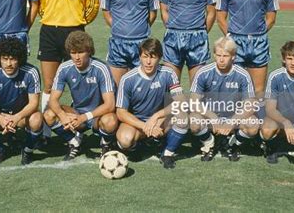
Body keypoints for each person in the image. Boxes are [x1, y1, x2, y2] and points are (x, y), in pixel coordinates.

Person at [36, 0, 99, 115]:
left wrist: (79, 22)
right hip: (49, 32)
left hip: (75, 33)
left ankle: (77, 125)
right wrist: (52, 17)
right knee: (49, 84)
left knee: (77, 84)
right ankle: (45, 130)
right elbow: (42, 5)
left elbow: (93, 5)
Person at [216, 0, 278, 111]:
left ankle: (254, 128)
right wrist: (231, 36)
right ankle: (232, 127)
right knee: (234, 86)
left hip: (258, 43)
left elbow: (271, 18)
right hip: (235, 42)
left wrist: (257, 33)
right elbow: (220, 17)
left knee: (258, 89)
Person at [43, 31, 117, 160]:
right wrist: (63, 116)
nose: (77, 57)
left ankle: (105, 144)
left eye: (80, 52)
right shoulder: (64, 68)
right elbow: (53, 100)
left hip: (97, 116)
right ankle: (74, 142)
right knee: (49, 115)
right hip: (76, 113)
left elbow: (110, 104)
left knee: (110, 121)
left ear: (89, 51)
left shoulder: (101, 68)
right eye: (73, 52)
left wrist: (84, 117)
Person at [116, 38, 187, 169]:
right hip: (137, 122)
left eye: (153, 57)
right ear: (139, 57)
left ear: (159, 58)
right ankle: (139, 146)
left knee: (183, 117)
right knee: (125, 139)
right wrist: (145, 126)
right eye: (145, 57)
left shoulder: (168, 73)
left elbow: (181, 102)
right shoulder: (128, 79)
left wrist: (156, 117)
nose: (148, 62)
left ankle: (167, 153)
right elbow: (120, 112)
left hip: (161, 120)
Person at [189, 36, 259, 162]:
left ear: (233, 57)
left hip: (233, 117)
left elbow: (251, 105)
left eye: (225, 56)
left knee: (253, 125)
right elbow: (194, 102)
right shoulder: (203, 72)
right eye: (218, 55)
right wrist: (213, 117)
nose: (221, 60)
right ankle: (209, 142)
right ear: (214, 55)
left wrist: (232, 121)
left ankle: (233, 144)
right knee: (193, 121)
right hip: (210, 117)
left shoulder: (243, 75)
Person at [0, 37, 43, 165]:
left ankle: (28, 150)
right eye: (5, 59)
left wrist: (16, 117)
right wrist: (1, 119)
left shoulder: (31, 72)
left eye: (13, 59)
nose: (9, 63)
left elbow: (34, 103)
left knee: (36, 119)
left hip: (21, 115)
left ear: (20, 58)